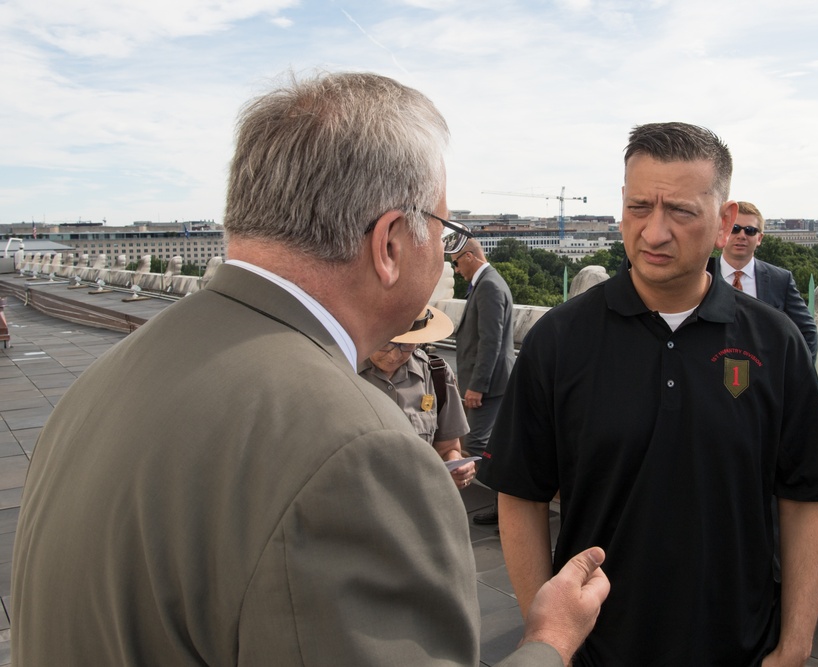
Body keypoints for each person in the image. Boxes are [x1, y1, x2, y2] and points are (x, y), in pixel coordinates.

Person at [11, 71, 609, 667]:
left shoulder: (110, 376)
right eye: (442, 228)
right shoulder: (358, 448)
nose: (445, 251)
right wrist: (549, 641)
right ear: (391, 244)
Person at [479, 122, 818, 666]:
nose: (654, 232)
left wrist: (795, 645)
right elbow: (520, 493)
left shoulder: (775, 342)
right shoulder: (560, 339)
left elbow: (807, 500)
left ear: (724, 220)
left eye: (681, 212)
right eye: (640, 207)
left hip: (740, 645)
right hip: (598, 649)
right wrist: (550, 639)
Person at [359, 305, 478, 490]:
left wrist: (457, 466)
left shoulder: (436, 374)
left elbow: (449, 448)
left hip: (419, 501)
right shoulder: (340, 370)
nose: (394, 355)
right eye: (385, 343)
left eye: (406, 345)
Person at [450, 237, 515, 525]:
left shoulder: (488, 284)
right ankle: (506, 507)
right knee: (488, 444)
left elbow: (491, 342)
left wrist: (477, 386)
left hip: (488, 386)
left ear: (469, 256)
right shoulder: (486, 282)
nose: (454, 270)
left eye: (455, 262)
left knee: (476, 446)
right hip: (492, 383)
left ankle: (511, 504)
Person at [721, 200, 818, 360]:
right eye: (735, 229)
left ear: (759, 238)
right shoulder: (700, 275)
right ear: (722, 232)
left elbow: (807, 331)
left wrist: (798, 377)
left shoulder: (780, 280)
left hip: (764, 377)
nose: (741, 236)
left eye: (750, 231)